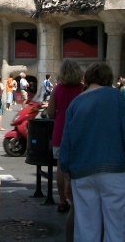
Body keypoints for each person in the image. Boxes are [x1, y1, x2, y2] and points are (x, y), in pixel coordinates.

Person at [60, 62, 125, 242]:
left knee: (86, 230)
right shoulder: (116, 97)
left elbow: (66, 145)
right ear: (108, 79)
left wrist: (66, 177)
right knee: (116, 230)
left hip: (82, 173)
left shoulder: (75, 104)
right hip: (116, 171)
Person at [47, 59, 84, 215]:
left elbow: (50, 112)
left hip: (60, 131)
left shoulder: (57, 89)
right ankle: (75, 200)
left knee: (61, 168)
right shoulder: (83, 89)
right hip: (79, 132)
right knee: (78, 167)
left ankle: (63, 201)